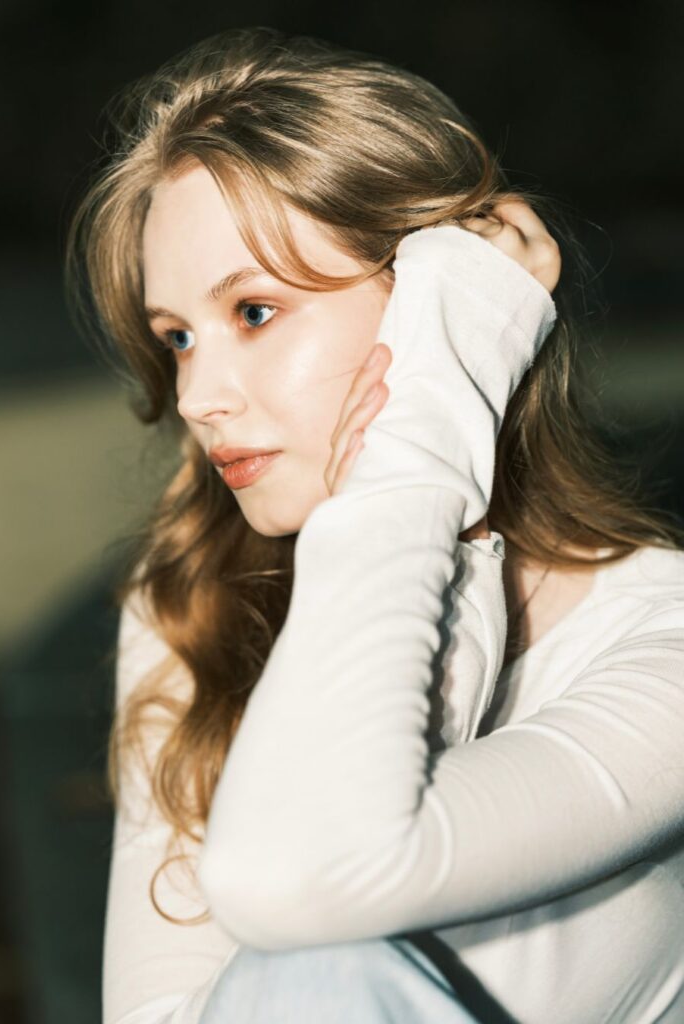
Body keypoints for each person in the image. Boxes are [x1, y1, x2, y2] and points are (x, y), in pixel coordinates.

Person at [65, 26, 684, 1024]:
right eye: (176, 336)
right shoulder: (190, 604)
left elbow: (309, 874)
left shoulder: (665, 639)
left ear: (441, 301)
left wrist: (422, 452)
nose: (196, 395)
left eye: (254, 312)